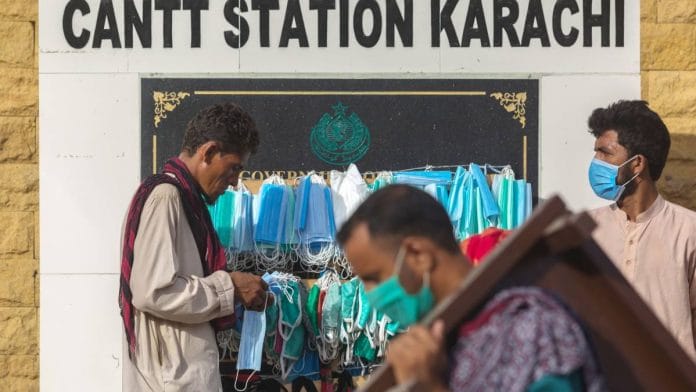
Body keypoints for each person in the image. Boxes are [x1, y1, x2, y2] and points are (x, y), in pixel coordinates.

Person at [337, 185, 603, 391]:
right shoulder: (438, 344)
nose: (371, 295)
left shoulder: (532, 326)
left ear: (418, 254)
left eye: (374, 278)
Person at [119, 103, 270, 391]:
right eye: (234, 168)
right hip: (169, 380)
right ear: (209, 152)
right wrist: (230, 288)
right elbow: (153, 291)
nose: (235, 182)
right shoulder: (166, 198)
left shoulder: (184, 200)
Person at [586, 100, 696, 359]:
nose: (595, 162)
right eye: (596, 153)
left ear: (637, 164)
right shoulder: (587, 230)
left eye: (605, 153)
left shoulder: (689, 231)